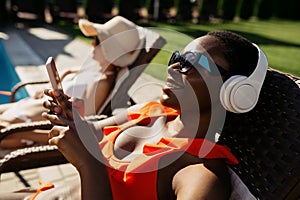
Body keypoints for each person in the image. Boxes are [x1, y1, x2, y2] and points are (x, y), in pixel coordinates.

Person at [36, 30, 267, 199]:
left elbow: (90, 157)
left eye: (193, 63)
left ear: (232, 91)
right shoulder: (151, 112)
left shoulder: (200, 174)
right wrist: (70, 118)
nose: (172, 69)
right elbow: (90, 133)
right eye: (177, 58)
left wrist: (89, 164)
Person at [0, 16, 146, 149]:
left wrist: (28, 133)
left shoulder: (101, 84)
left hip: (22, 127)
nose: (92, 44)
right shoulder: (94, 70)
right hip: (23, 109)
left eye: (98, 41)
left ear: (111, 51)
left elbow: (78, 125)